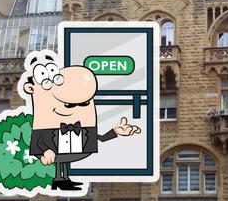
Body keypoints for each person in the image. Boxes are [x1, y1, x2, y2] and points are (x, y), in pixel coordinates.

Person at [24, 54, 141, 191]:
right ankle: (58, 179)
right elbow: (39, 141)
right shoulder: (44, 127)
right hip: (55, 152)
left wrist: (115, 132)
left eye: (84, 103)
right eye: (69, 105)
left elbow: (100, 138)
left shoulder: (83, 128)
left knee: (64, 160)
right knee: (60, 160)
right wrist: (45, 151)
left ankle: (63, 179)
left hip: (70, 150)